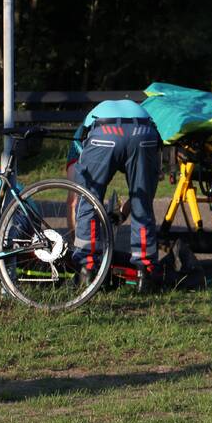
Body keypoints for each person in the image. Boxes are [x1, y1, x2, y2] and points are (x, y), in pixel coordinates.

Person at [68, 99, 163, 290]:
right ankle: (146, 274)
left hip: (104, 131)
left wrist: (74, 246)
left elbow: (74, 200)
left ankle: (86, 271)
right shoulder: (137, 112)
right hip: (144, 131)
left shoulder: (78, 140)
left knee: (89, 201)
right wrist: (123, 214)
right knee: (143, 204)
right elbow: (143, 196)